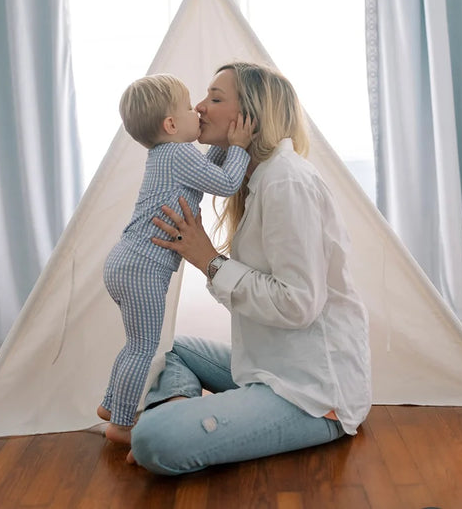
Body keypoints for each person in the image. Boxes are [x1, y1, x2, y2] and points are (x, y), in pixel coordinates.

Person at [125, 62, 372, 474]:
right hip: (268, 370)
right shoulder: (258, 178)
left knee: (152, 439)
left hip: (311, 393)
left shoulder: (285, 183)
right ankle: (180, 409)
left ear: (252, 118)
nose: (201, 108)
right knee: (167, 346)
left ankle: (170, 422)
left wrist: (208, 260)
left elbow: (298, 304)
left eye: (215, 99)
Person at [98, 73, 254, 445]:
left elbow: (211, 171)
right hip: (142, 268)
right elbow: (227, 182)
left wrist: (224, 142)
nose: (197, 110)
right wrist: (241, 146)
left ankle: (110, 404)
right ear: (170, 124)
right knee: (143, 346)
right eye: (188, 107)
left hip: (125, 262)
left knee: (134, 343)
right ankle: (120, 424)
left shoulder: (166, 155)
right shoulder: (178, 154)